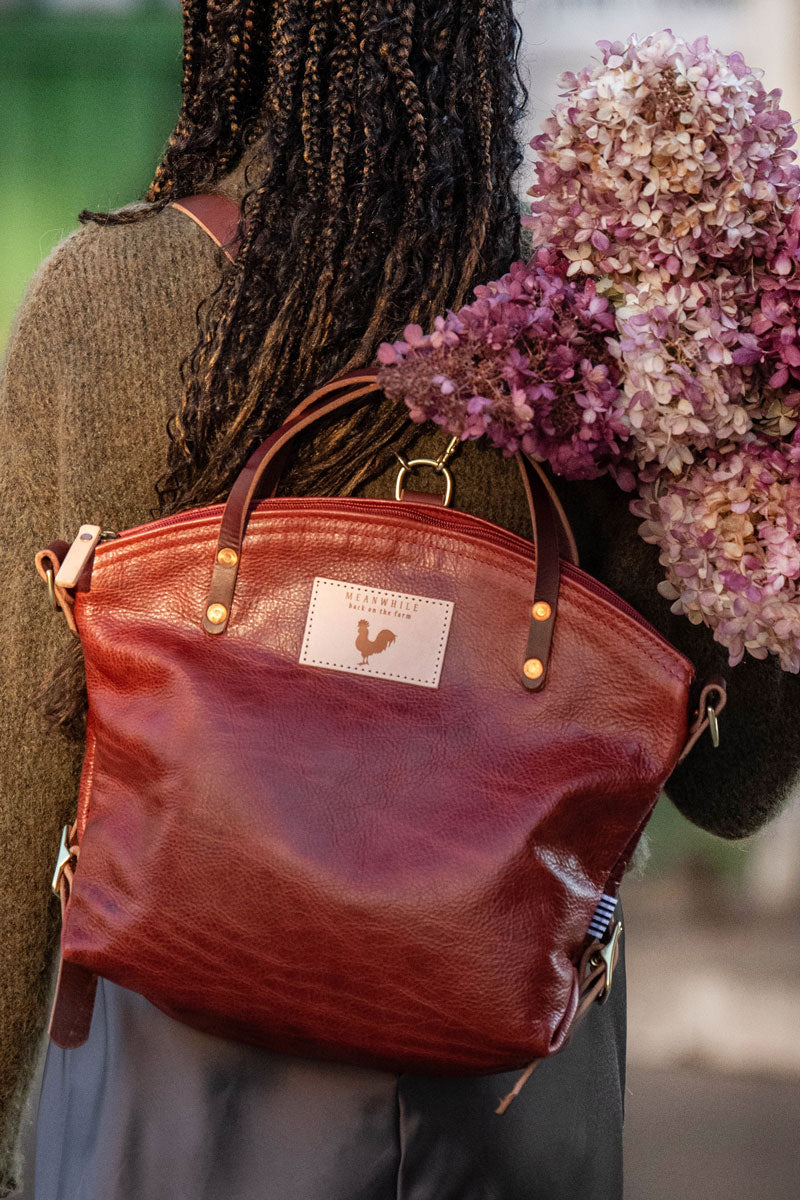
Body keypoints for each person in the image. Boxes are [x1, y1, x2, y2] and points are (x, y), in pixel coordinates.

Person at [1, 4, 798, 1198]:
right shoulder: (605, 328)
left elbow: (19, 770)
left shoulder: (110, 297)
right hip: (506, 1099)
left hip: (173, 1091)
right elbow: (733, 790)